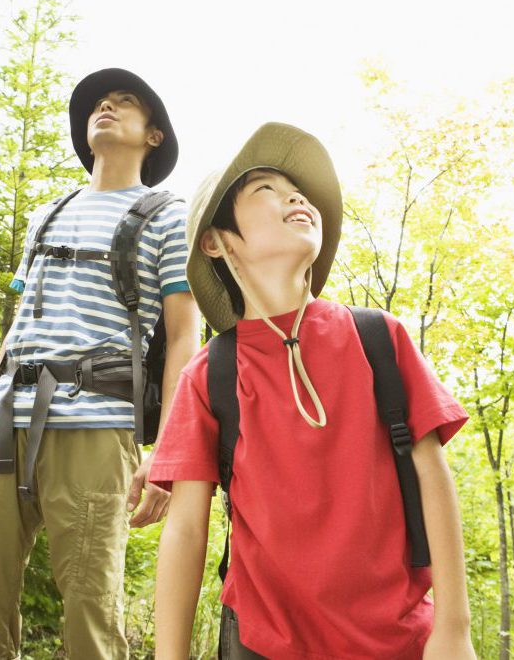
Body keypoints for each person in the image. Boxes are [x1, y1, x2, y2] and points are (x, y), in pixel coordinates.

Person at [150, 122, 476, 659]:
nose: (295, 196)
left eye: (297, 190)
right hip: (264, 641)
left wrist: (454, 629)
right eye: (265, 190)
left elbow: (431, 475)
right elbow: (186, 528)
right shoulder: (211, 374)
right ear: (216, 240)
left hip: (398, 639)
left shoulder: (378, 337)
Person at [0, 68, 201, 660]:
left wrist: (168, 449)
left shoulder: (168, 215)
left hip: (97, 423)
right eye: (98, 105)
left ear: (153, 136)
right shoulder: (47, 215)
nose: (105, 108)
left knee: (91, 602)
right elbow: (21, 327)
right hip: (9, 422)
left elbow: (185, 336)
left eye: (124, 103)